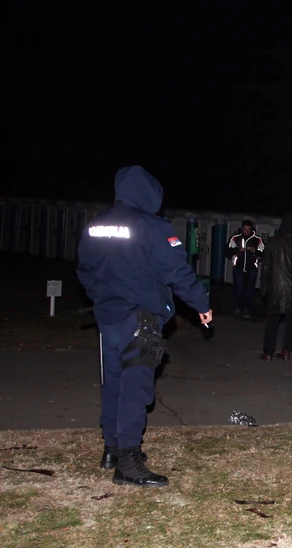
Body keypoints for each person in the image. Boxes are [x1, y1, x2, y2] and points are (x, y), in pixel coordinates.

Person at [77, 165, 213, 488]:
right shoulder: (151, 226)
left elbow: (85, 271)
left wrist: (103, 298)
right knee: (135, 387)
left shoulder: (96, 225)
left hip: (108, 317)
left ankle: (111, 447)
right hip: (140, 318)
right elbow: (177, 271)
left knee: (113, 383)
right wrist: (202, 305)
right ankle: (127, 462)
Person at [259, 212, 292, 361]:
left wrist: (264, 286)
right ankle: (286, 351)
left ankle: (268, 352)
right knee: (291, 322)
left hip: (275, 287)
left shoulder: (272, 243)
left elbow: (266, 267)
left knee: (272, 321)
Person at [226, 219, 264, 318]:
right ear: (242, 228)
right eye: (245, 229)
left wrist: (255, 251)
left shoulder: (257, 239)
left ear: (251, 229)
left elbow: (264, 253)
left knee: (250, 289)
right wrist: (238, 250)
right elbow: (228, 251)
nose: (246, 231)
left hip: (252, 268)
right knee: (239, 288)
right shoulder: (235, 238)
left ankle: (246, 309)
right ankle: (237, 307)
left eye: (248, 229)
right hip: (238, 267)